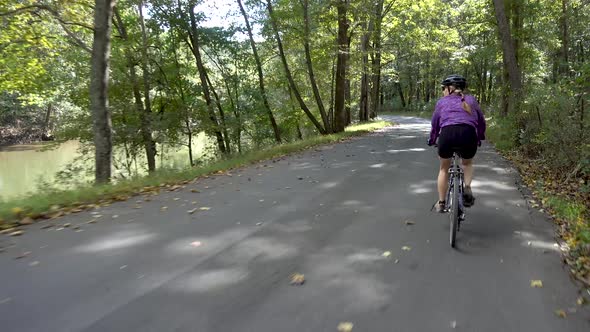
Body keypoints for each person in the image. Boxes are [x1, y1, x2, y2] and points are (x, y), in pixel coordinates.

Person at [428, 74, 486, 213]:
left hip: (447, 134)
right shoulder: (471, 100)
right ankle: (467, 187)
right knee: (467, 163)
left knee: (443, 169)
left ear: (450, 88)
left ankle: (441, 203)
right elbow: (481, 121)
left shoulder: (442, 102)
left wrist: (432, 139)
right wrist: (479, 137)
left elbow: (435, 124)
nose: (443, 91)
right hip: (468, 134)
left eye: (443, 88)